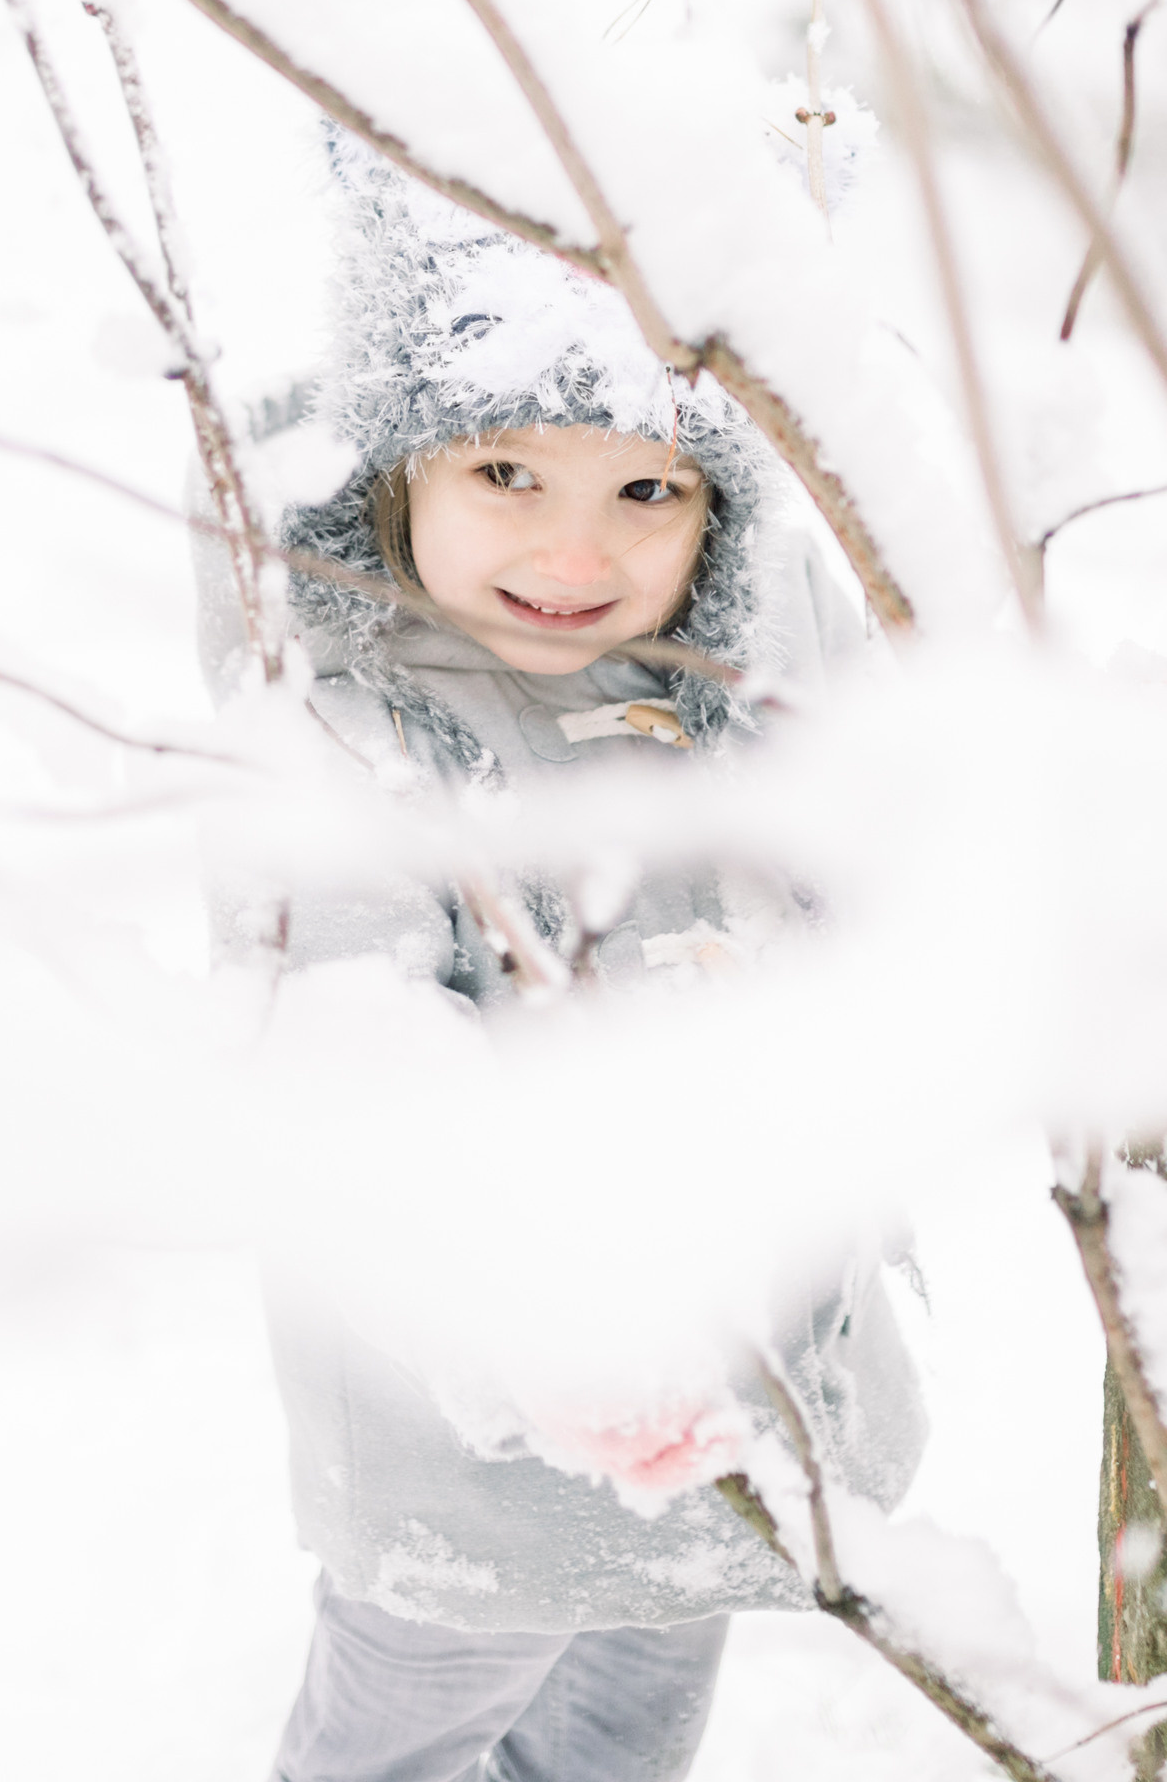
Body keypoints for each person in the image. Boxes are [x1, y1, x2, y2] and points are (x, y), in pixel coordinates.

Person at [197, 144, 927, 1782]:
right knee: (406, 1732)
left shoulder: (749, 648)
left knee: (629, 1723)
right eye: (507, 475)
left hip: (734, 1401)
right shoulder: (345, 731)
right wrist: (540, 1320)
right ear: (400, 464)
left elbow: (887, 847)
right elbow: (349, 1056)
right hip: (471, 1460)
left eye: (647, 494)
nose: (576, 556)